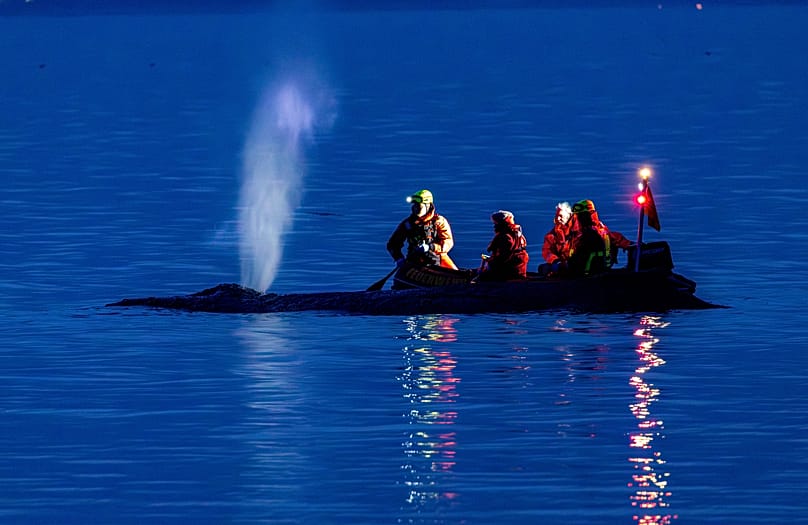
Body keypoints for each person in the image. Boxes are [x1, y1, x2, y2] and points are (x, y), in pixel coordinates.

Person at [387, 189, 457, 270]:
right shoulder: (407, 224)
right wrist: (398, 258)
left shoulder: (438, 222)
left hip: (436, 261)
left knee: (455, 272)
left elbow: (448, 243)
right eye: (415, 206)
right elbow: (393, 244)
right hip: (414, 262)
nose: (416, 209)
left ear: (428, 206)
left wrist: (430, 247)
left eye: (419, 206)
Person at [477, 210, 529, 281]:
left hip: (507, 273)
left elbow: (503, 258)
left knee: (480, 276)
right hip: (519, 270)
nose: (494, 226)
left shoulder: (505, 237)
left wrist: (489, 261)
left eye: (495, 223)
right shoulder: (518, 235)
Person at [565, 199, 612, 277]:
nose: (578, 219)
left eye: (580, 216)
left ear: (589, 215)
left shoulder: (590, 234)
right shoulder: (601, 230)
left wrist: (562, 267)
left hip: (587, 275)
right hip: (598, 273)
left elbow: (579, 259)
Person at [539, 202, 572, 275]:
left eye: (560, 216)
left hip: (574, 263)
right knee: (543, 268)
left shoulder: (576, 231)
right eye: (557, 216)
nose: (558, 218)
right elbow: (547, 251)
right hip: (559, 264)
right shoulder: (551, 235)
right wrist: (555, 261)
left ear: (569, 215)